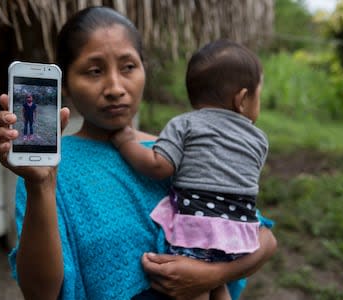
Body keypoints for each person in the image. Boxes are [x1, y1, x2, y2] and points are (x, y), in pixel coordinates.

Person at [0, 6, 277, 300]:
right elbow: (40, 293)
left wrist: (213, 276)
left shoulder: (179, 152)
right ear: (66, 86)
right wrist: (41, 187)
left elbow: (263, 238)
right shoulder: (52, 172)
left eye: (128, 67)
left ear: (143, 70)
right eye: (94, 71)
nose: (115, 87)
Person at [111, 39, 269, 300]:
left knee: (195, 287)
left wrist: (125, 142)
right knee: (217, 281)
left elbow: (159, 166)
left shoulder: (185, 124)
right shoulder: (259, 139)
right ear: (242, 100)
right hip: (240, 235)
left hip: (198, 229)